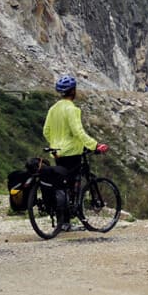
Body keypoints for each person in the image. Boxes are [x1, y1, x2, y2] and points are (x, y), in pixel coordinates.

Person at [43, 74, 108, 228]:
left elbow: (46, 131)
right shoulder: (72, 109)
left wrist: (55, 143)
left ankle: (63, 221)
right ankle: (67, 220)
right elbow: (78, 132)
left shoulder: (53, 109)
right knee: (72, 185)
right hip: (72, 153)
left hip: (56, 152)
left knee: (61, 184)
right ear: (73, 91)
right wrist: (94, 145)